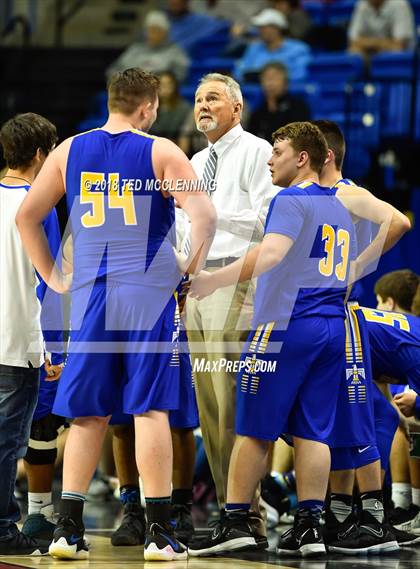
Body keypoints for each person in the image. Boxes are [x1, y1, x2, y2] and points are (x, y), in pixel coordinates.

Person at [16, 67, 217, 562]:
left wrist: (54, 277)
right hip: (147, 294)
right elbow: (205, 216)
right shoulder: (161, 150)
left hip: (92, 295)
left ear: (111, 101)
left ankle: (67, 528)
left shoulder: (69, 150)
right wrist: (188, 271)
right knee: (149, 409)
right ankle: (158, 533)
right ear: (148, 107)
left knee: (89, 414)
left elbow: (27, 216)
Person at [187, 121, 410, 557]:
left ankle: (236, 522)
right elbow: (394, 223)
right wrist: (354, 271)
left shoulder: (291, 198)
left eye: (278, 151)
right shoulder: (341, 202)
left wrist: (215, 279)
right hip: (330, 325)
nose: (270, 159)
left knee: (253, 428)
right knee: (314, 431)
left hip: (286, 323)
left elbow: (270, 254)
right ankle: (309, 526)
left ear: (302, 158)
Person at [181, 72, 277, 545]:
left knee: (233, 404)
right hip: (198, 286)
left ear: (236, 108)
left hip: (236, 281)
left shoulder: (259, 151)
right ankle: (227, 513)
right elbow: (186, 223)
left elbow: (268, 216)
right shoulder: (197, 160)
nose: (203, 106)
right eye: (199, 99)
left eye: (213, 98)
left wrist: (214, 216)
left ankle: (247, 516)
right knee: (210, 409)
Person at [313, 120, 414, 553]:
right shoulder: (311, 197)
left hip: (339, 318)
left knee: (360, 416)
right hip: (323, 318)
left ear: (320, 156)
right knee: (343, 417)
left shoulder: (344, 192)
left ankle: (373, 516)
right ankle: (341, 511)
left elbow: (399, 221)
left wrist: (359, 267)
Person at [0, 112, 58, 556]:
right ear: (41, 154)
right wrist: (52, 347)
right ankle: (3, 526)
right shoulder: (37, 207)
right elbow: (49, 282)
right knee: (7, 443)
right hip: (18, 341)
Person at [106, 11, 190, 82]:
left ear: (165, 33)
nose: (151, 34)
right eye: (149, 30)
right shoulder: (135, 49)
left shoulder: (174, 51)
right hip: (131, 90)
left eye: (155, 30)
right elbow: (114, 70)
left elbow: (180, 76)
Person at [235, 8, 311, 83]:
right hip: (253, 90)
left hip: (287, 91)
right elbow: (240, 71)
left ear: (276, 28)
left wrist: (274, 80)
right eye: (260, 28)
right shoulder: (254, 47)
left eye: (264, 27)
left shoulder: (299, 48)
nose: (260, 31)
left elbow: (301, 74)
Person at [247, 62, 311, 143]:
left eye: (275, 78)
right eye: (267, 78)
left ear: (285, 83)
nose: (270, 83)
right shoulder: (257, 112)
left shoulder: (299, 107)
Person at [348, 0, 416, 60]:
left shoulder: (400, 4)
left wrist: (366, 43)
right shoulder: (362, 4)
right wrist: (381, 44)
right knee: (354, 53)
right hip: (373, 56)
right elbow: (353, 42)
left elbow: (399, 47)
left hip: (401, 62)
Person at [150, 72, 192, 142]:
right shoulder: (149, 107)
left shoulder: (185, 108)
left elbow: (185, 135)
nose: (165, 89)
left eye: (169, 84)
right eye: (162, 85)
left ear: (175, 86)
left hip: (176, 146)